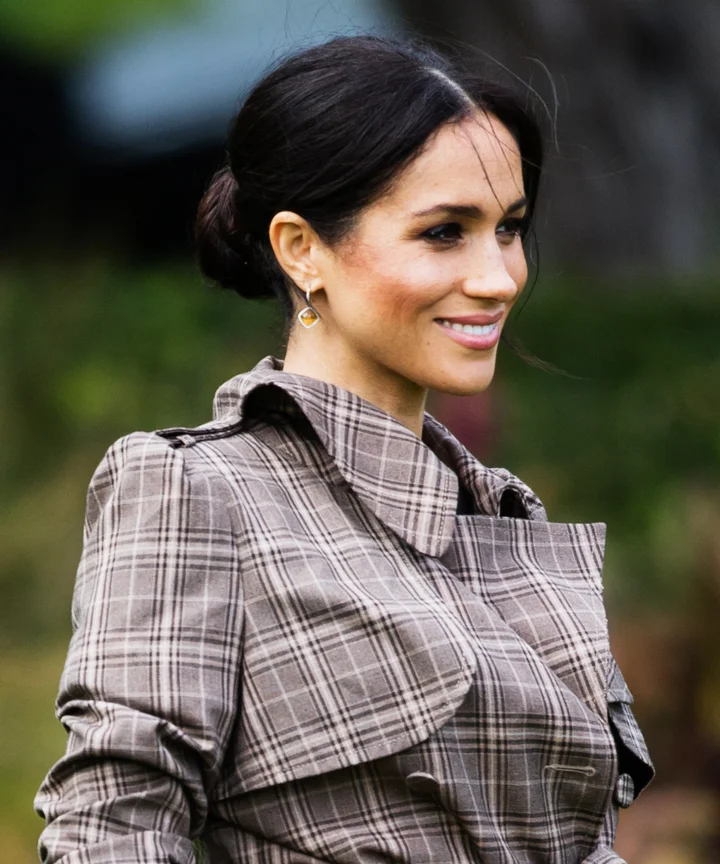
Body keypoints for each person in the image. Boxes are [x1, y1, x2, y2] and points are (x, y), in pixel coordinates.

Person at [35, 34, 654, 864]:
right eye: (445, 232)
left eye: (508, 228)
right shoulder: (200, 490)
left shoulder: (501, 515)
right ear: (302, 249)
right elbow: (113, 828)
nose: (500, 277)